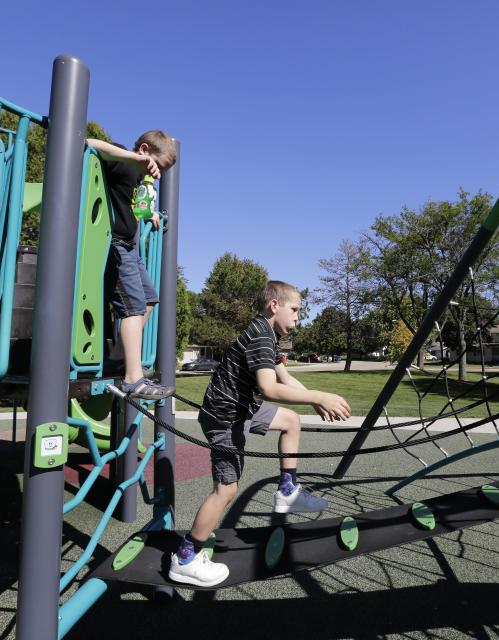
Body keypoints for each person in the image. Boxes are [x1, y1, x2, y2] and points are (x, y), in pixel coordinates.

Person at [168, 281, 352, 587]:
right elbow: (269, 387)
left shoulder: (268, 336)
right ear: (274, 305)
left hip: (243, 410)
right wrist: (318, 396)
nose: (298, 318)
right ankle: (185, 558)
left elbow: (284, 377)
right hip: (225, 419)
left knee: (292, 421)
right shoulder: (261, 337)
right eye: (295, 310)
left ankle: (287, 491)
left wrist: (314, 401)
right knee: (226, 490)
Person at [87, 132, 176, 400]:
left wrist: (149, 214)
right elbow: (89, 144)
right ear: (144, 150)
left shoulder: (139, 176)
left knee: (148, 300)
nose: (158, 174)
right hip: (114, 244)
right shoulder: (123, 158)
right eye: (158, 166)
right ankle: (133, 379)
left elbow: (131, 205)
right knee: (133, 307)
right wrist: (134, 158)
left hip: (129, 246)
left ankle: (123, 360)